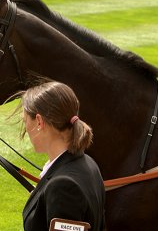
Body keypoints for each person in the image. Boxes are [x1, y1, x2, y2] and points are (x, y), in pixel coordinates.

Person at [18, 81, 105, 231]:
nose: (26, 130)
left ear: (39, 122)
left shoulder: (62, 186)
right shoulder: (88, 163)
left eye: (26, 121)